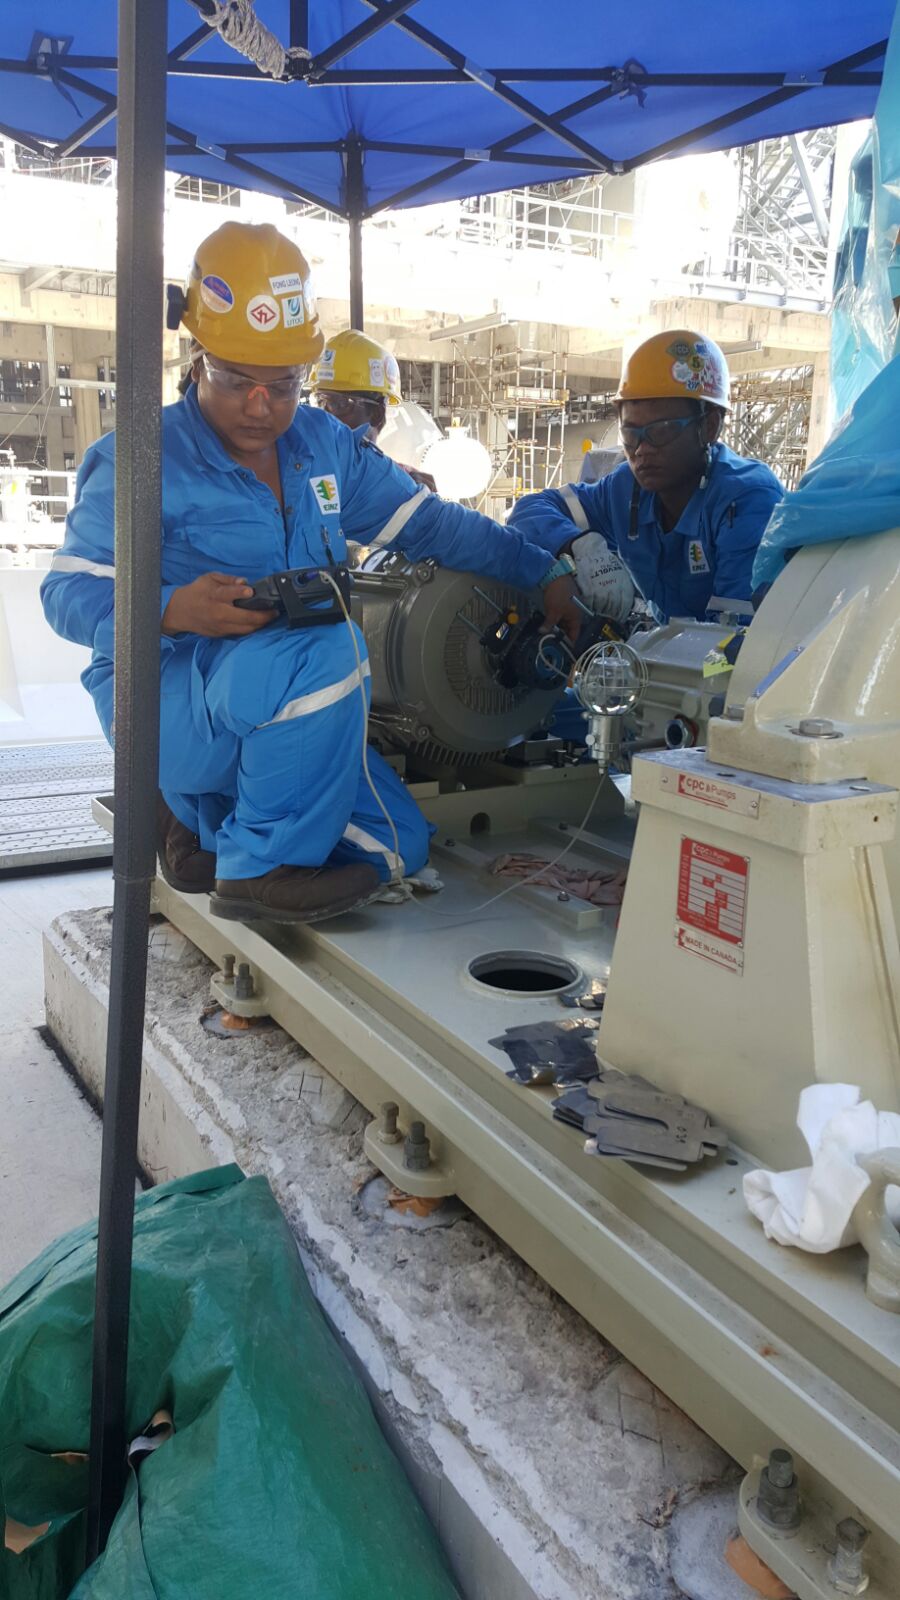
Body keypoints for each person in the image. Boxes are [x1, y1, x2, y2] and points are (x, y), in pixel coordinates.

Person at [42, 221, 582, 925]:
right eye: (237, 380)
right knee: (329, 649)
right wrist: (172, 607)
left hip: (280, 707)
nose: (261, 406)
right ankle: (253, 868)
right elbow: (64, 595)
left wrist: (544, 571)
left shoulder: (322, 447)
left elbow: (432, 525)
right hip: (166, 696)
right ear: (198, 357)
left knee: (396, 846)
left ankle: (198, 823)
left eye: (284, 383)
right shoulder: (141, 456)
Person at [507, 331, 784, 622]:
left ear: (710, 426)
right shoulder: (626, 489)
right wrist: (580, 546)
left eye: (661, 430)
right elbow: (530, 511)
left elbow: (735, 641)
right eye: (630, 433)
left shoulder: (747, 502)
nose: (642, 449)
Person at [310, 328, 436, 490]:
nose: (325, 416)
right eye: (320, 402)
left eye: (338, 404)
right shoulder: (297, 473)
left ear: (377, 414)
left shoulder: (400, 486)